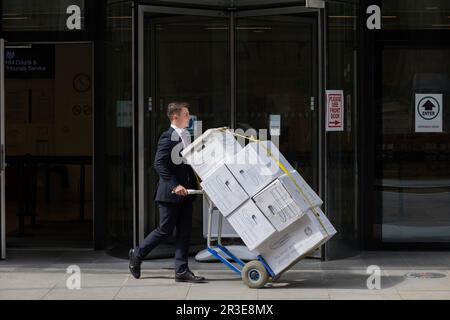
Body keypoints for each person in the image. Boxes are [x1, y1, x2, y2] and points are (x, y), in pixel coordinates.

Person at [129, 101, 206, 283]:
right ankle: (137, 254)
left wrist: (197, 182)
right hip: (170, 194)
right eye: (186, 114)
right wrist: (175, 185)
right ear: (175, 117)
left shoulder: (186, 135)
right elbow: (159, 163)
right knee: (164, 230)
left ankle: (181, 271)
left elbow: (188, 166)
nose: (189, 117)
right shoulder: (167, 136)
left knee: (184, 232)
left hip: (186, 194)